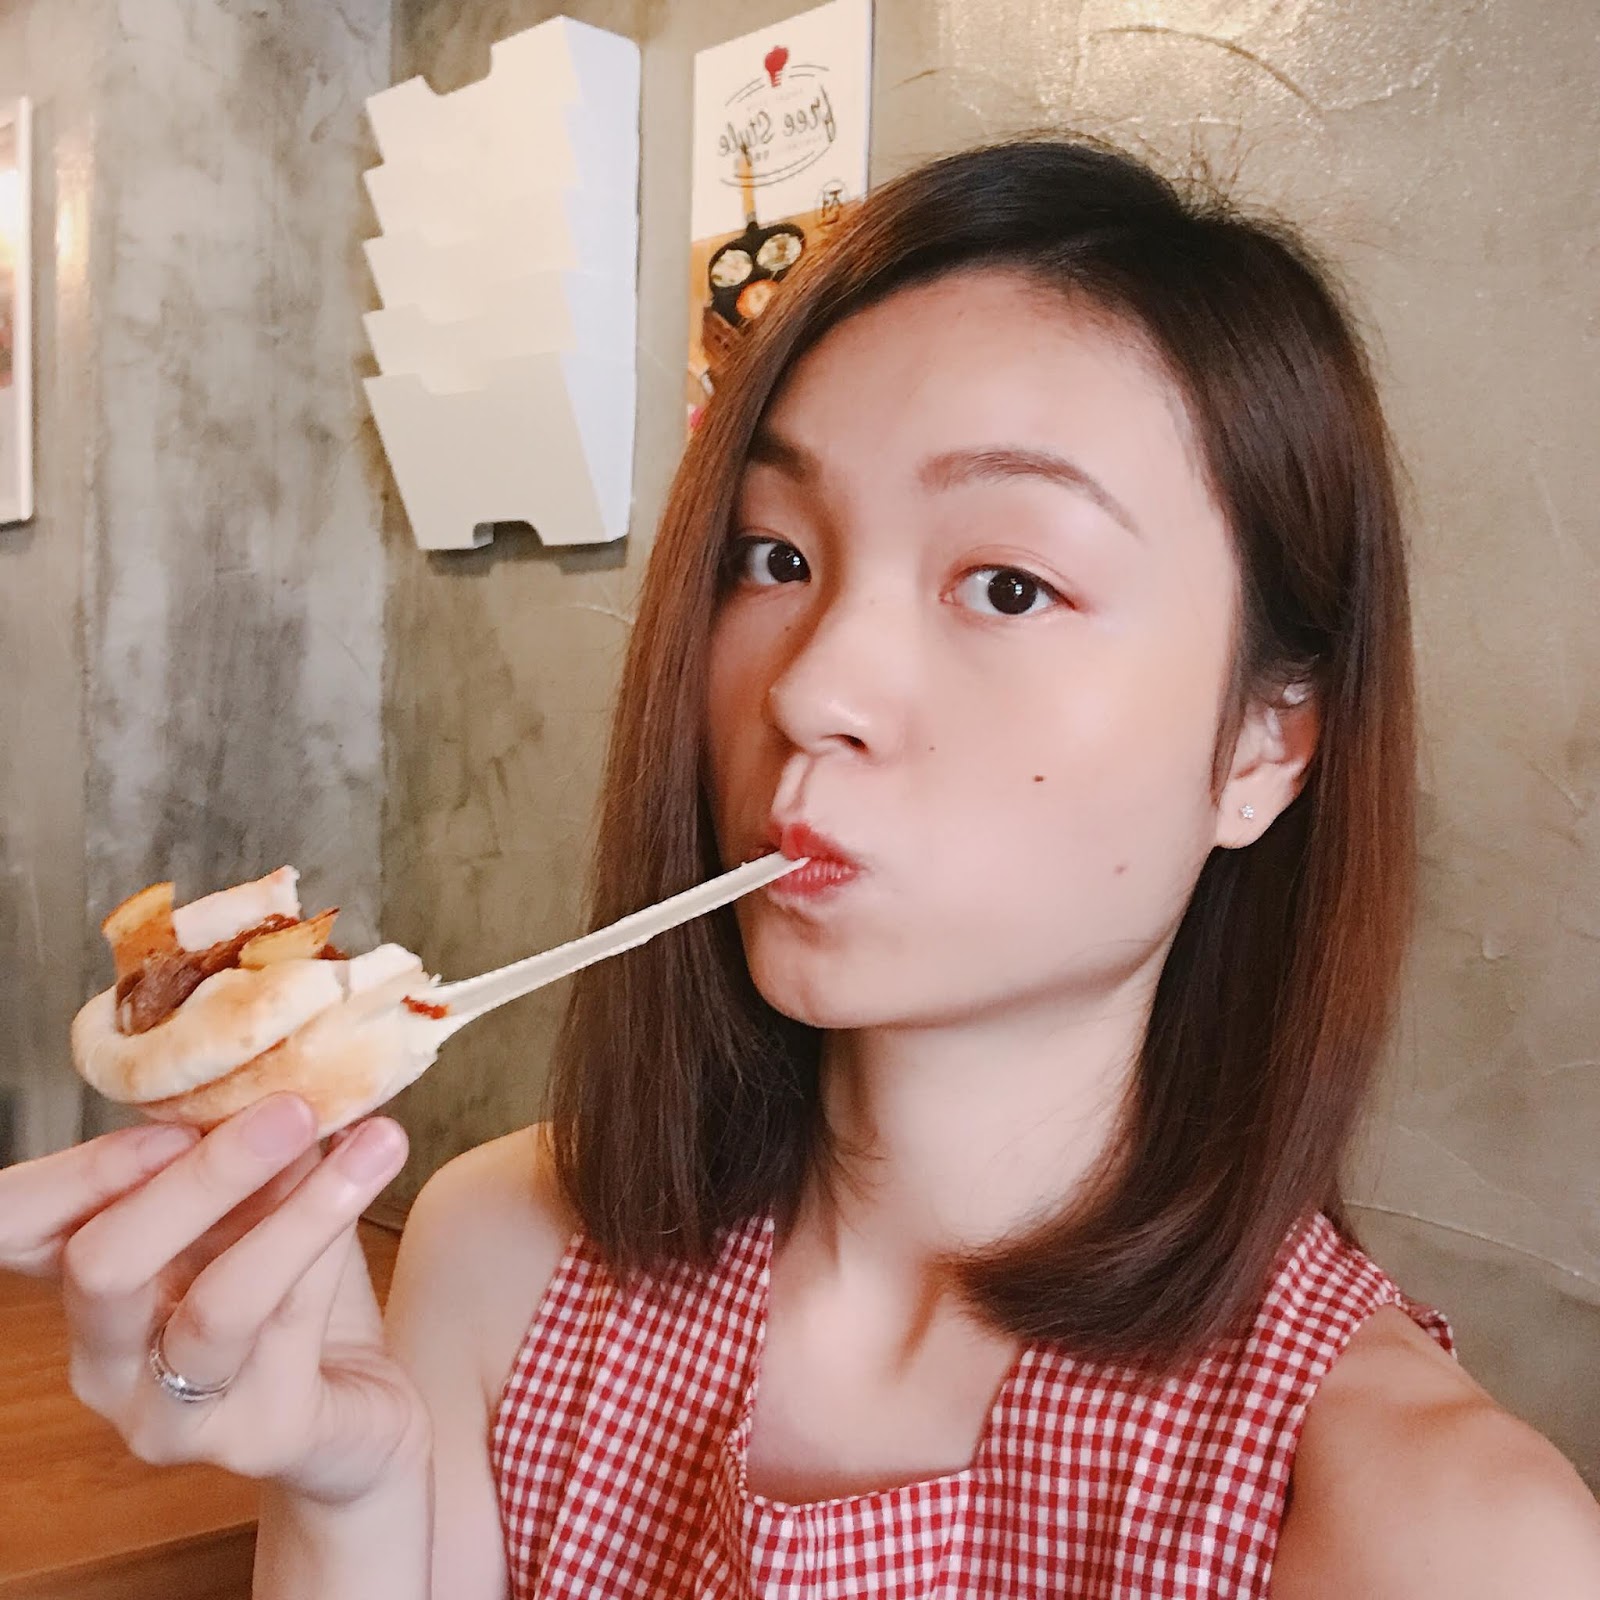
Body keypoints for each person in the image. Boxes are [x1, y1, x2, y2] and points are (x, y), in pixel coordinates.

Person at [5, 137, 1598, 1598]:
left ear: (1265, 743)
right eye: (776, 557)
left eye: (1009, 584)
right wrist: (351, 1492)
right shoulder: (500, 1256)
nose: (815, 684)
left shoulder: (1437, 1535)